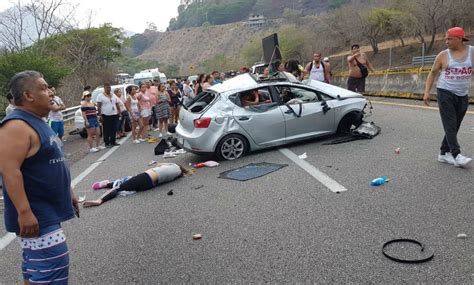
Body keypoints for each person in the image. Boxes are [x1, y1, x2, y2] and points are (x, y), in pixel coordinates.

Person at [0, 70, 79, 284]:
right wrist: (24, 212)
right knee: (51, 273)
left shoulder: (37, 121)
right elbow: (9, 171)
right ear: (28, 95)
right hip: (37, 216)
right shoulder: (16, 125)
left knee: (37, 270)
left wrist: (68, 191)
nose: (51, 92)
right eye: (44, 88)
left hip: (46, 213)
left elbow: (52, 159)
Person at [423, 27, 473, 167]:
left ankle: (443, 153)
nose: (446, 41)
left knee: (455, 125)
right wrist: (427, 92)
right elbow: (432, 73)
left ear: (460, 38)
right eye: (446, 38)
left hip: (462, 94)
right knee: (450, 124)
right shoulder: (443, 55)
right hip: (445, 92)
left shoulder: (472, 52)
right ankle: (456, 155)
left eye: (449, 39)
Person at [83, 163, 193, 207]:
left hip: (147, 176)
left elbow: (159, 164)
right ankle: (107, 184)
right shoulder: (177, 175)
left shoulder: (173, 165)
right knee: (127, 183)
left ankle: (100, 199)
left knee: (120, 187)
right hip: (150, 185)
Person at [97, 83, 121, 147]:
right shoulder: (100, 96)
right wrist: (100, 115)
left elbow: (117, 104)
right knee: (106, 129)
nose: (109, 89)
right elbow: (99, 106)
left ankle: (113, 141)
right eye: (107, 88)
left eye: (109, 87)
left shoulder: (113, 95)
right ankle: (107, 143)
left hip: (114, 114)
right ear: (104, 88)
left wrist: (119, 112)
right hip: (105, 115)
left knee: (114, 129)